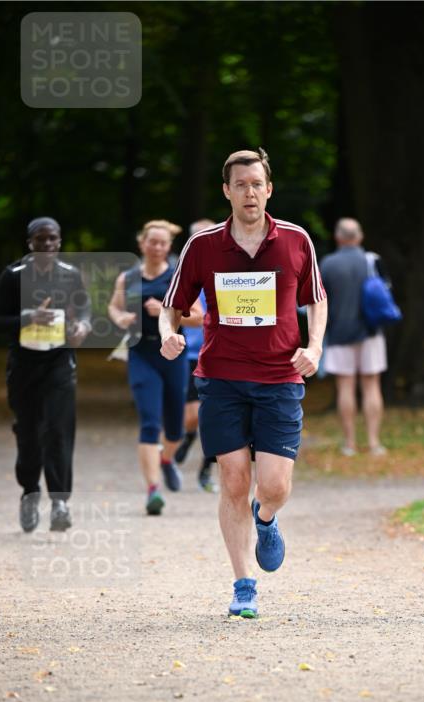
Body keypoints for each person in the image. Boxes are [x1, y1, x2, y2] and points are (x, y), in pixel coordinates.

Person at [159, 147, 327, 617]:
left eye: (257, 184)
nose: (249, 192)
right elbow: (173, 303)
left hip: (279, 376)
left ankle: (266, 516)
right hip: (222, 377)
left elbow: (317, 299)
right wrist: (168, 334)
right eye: (241, 184)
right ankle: (242, 585)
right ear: (227, 191)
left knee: (272, 485)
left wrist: (313, 347)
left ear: (268, 189)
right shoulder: (204, 245)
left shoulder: (295, 240)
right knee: (233, 479)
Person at [0, 217, 91, 531]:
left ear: (60, 242)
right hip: (24, 365)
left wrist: (82, 326)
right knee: (30, 433)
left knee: (59, 430)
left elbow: (84, 308)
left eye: (52, 240)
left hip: (59, 362)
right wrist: (28, 316)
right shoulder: (13, 275)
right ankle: (30, 493)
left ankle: (60, 502)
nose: (47, 245)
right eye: (40, 240)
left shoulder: (70, 275)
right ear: (30, 243)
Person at [108, 220, 202, 515]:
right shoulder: (128, 277)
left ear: (168, 247)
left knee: (174, 428)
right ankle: (153, 489)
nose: (157, 247)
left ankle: (167, 459)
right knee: (149, 421)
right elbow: (114, 306)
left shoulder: (178, 277)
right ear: (142, 244)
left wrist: (164, 308)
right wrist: (120, 318)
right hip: (141, 353)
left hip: (173, 355)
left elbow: (198, 316)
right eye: (152, 242)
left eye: (163, 243)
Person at [319, 218, 388, 456]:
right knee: (371, 386)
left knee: (345, 387)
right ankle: (374, 442)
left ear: (338, 238)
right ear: (359, 237)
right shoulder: (372, 260)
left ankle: (349, 443)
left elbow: (317, 299)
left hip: (339, 333)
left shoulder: (328, 264)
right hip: (371, 332)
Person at [174, 218, 219, 493]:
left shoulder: (228, 268)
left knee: (214, 417)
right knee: (192, 417)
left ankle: (205, 469)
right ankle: (188, 439)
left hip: (220, 354)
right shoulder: (186, 271)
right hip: (191, 354)